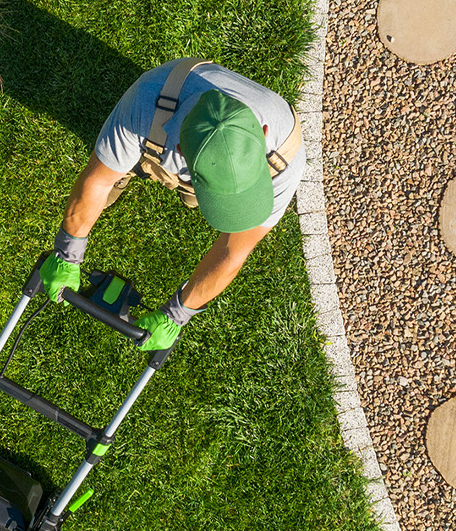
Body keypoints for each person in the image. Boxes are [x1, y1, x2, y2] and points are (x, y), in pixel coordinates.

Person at [40, 57, 305, 351]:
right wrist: (68, 252)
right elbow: (97, 182)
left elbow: (233, 252)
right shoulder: (145, 103)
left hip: (184, 152)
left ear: (264, 134)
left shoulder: (286, 156)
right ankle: (138, 165)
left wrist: (176, 315)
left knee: (194, 199)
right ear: (180, 152)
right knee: (112, 172)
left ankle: (191, 189)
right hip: (160, 129)